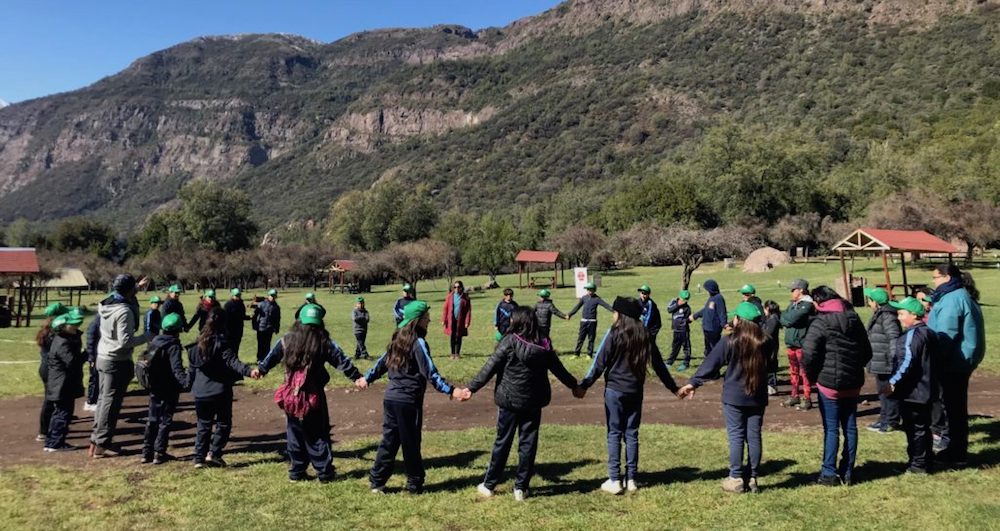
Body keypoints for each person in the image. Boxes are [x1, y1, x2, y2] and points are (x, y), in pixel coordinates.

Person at [465, 307, 579, 501]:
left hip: (509, 400)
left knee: (503, 441)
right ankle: (521, 487)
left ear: (517, 322)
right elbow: (559, 369)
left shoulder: (509, 341)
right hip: (533, 402)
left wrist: (471, 388)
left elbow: (490, 367)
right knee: (528, 443)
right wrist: (574, 386)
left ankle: (489, 484)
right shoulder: (544, 343)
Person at [576, 297, 679, 494]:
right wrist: (673, 387)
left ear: (621, 315)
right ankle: (631, 478)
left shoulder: (614, 332)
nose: (613, 316)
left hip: (615, 391)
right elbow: (659, 365)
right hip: (635, 390)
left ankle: (614, 479)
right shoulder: (645, 335)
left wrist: (584, 385)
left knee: (614, 433)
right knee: (632, 433)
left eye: (615, 312)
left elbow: (599, 361)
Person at [256, 304, 368, 482]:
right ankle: (324, 473)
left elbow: (271, 356)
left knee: (294, 432)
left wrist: (261, 370)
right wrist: (356, 377)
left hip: (291, 395)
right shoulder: (322, 340)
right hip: (313, 396)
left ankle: (297, 471)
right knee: (317, 434)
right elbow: (340, 359)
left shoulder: (287, 339)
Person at [365, 301, 466, 494]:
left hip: (391, 399)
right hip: (408, 402)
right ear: (418, 320)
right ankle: (414, 484)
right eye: (427, 317)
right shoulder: (418, 342)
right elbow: (430, 372)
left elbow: (380, 363)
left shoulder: (397, 339)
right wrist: (452, 391)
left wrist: (367, 378)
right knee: (410, 442)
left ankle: (377, 482)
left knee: (390, 440)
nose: (429, 320)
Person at [679, 302, 770, 493]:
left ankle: (736, 478)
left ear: (738, 320)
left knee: (736, 435)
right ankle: (753, 477)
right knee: (754, 435)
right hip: (757, 396)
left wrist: (694, 382)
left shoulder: (730, 341)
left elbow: (711, 364)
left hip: (734, 396)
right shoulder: (766, 342)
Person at [802, 286, 872, 486]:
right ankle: (848, 471)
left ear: (818, 302)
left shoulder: (820, 322)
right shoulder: (854, 318)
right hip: (853, 382)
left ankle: (828, 473)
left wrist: (813, 376)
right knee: (850, 426)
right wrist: (856, 366)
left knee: (831, 428)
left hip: (829, 383)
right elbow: (867, 351)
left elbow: (808, 354)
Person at [926, 264, 985, 467]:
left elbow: (946, 334)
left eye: (936, 277)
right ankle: (955, 449)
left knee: (954, 408)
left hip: (954, 362)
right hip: (961, 360)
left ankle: (957, 453)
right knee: (954, 406)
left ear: (947, 277)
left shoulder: (953, 299)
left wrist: (934, 359)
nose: (933, 282)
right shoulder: (960, 295)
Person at [90, 274, 150, 458]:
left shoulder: (107, 302)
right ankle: (101, 444)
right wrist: (148, 336)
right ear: (129, 290)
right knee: (110, 403)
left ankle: (96, 439)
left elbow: (123, 293)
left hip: (103, 356)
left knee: (103, 400)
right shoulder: (124, 311)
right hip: (116, 360)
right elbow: (125, 341)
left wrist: (137, 286)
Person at [187, 308, 254, 468]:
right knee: (224, 423)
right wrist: (249, 371)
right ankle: (214, 453)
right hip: (220, 391)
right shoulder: (222, 344)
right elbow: (232, 361)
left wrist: (188, 384)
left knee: (203, 424)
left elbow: (191, 369)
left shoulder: (195, 346)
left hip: (200, 392)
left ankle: (198, 457)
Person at [885, 297, 938, 474]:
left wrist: (893, 382)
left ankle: (918, 464)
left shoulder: (912, 336)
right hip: (927, 388)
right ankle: (925, 460)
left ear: (914, 315)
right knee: (922, 427)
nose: (898, 318)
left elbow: (907, 361)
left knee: (915, 429)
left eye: (901, 313)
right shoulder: (929, 332)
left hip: (914, 391)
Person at [141, 313, 188, 465]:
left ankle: (146, 452)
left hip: (154, 385)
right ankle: (159, 453)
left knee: (152, 419)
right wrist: (186, 382)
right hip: (169, 387)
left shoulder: (155, 341)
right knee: (165, 420)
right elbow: (177, 368)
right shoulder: (173, 345)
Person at [43, 309, 87, 452]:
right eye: (72, 325)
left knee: (59, 414)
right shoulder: (63, 343)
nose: (76, 326)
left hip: (61, 384)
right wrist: (86, 354)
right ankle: (55, 443)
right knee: (63, 414)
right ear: (63, 327)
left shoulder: (63, 339)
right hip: (62, 385)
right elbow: (73, 362)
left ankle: (52, 442)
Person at [863, 287, 903, 434]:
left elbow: (894, 337)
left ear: (875, 302)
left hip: (886, 361)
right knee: (882, 392)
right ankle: (884, 419)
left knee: (888, 392)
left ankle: (891, 421)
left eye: (870, 300)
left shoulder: (887, 315)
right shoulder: (880, 314)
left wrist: (894, 359)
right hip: (879, 360)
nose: (868, 302)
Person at [36, 302, 69, 442]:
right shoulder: (55, 332)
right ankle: (43, 431)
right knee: (50, 400)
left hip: (45, 368)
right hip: (51, 369)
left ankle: (50, 426)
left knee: (51, 398)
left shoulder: (45, 330)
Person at [779, 279, 814, 410]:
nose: (791, 292)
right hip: (791, 343)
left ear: (801, 290)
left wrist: (787, 318)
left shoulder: (807, 305)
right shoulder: (793, 304)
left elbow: (790, 320)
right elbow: (783, 317)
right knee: (793, 372)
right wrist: (786, 318)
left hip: (802, 343)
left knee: (804, 372)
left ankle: (807, 397)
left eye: (793, 289)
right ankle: (794, 395)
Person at [567, 282, 614, 358]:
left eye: (591, 290)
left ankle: (589, 354)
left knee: (591, 338)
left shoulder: (597, 299)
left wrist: (615, 311)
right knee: (580, 338)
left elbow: (606, 305)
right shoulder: (584, 298)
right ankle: (576, 353)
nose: (589, 291)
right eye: (588, 290)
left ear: (594, 290)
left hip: (592, 321)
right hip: (584, 321)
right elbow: (577, 307)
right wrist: (570, 314)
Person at [691, 279, 727, 371]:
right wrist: (695, 316)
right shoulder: (711, 298)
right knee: (708, 350)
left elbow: (722, 312)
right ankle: (708, 368)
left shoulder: (719, 298)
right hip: (707, 328)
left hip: (713, 329)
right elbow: (705, 310)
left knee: (714, 350)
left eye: (707, 290)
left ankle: (715, 370)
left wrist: (724, 324)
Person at [442, 280, 472, 359]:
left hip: (460, 321)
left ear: (461, 287)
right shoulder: (449, 296)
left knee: (459, 336)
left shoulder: (465, 298)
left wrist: (467, 321)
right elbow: (445, 308)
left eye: (458, 287)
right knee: (452, 336)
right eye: (455, 287)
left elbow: (468, 311)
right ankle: (452, 353)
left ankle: (457, 353)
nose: (456, 289)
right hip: (451, 320)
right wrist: (443, 319)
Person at [665, 290, 693, 370]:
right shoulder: (674, 302)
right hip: (676, 330)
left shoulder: (687, 308)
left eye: (687, 299)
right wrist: (677, 305)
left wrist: (687, 321)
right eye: (684, 299)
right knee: (675, 347)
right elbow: (669, 310)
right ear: (679, 297)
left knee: (686, 347)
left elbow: (689, 319)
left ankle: (686, 363)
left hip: (684, 330)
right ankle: (669, 362)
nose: (685, 301)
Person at [253, 289, 281, 362]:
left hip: (269, 328)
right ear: (268, 296)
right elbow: (255, 316)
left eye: (274, 296)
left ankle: (266, 359)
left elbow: (277, 318)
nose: (273, 297)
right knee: (260, 344)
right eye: (272, 296)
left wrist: (277, 328)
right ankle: (259, 358)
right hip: (261, 328)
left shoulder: (276, 307)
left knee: (267, 344)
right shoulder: (261, 304)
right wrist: (254, 325)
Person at [761, 300, 781, 396]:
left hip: (771, 346)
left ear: (768, 309)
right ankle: (769, 385)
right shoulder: (771, 318)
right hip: (770, 346)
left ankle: (772, 386)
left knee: (770, 365)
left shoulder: (773, 319)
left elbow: (768, 333)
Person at [222, 288, 251, 354]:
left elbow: (242, 316)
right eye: (236, 295)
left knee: (236, 346)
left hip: (239, 329)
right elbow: (225, 319)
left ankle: (235, 359)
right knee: (229, 347)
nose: (238, 297)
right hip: (230, 330)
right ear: (232, 296)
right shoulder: (228, 305)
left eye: (239, 295)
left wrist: (249, 317)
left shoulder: (241, 305)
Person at [83, 314, 101, 412]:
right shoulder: (95, 324)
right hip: (95, 357)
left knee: (98, 379)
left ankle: (95, 400)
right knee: (94, 378)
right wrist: (92, 358)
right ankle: (90, 402)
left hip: (99, 355)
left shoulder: (100, 322)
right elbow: (90, 342)